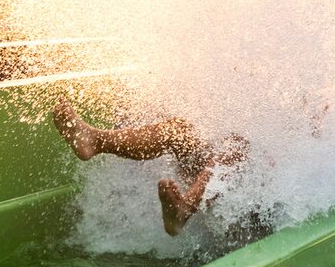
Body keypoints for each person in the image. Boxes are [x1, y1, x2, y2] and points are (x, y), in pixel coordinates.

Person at [53, 99, 247, 236]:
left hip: (256, 207)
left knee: (236, 145)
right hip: (219, 181)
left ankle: (184, 209)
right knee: (179, 130)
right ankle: (95, 141)